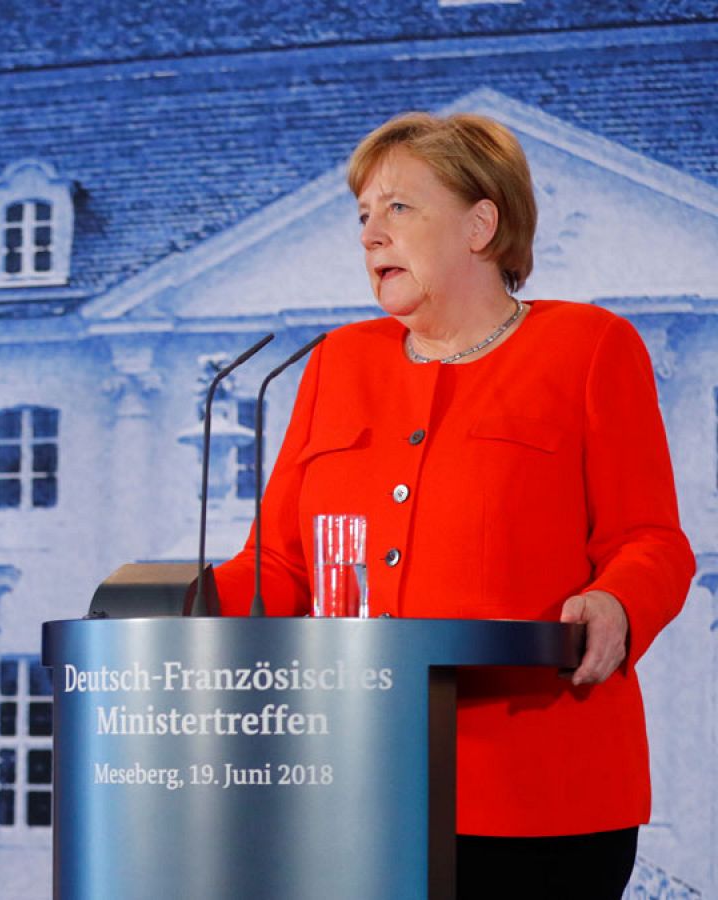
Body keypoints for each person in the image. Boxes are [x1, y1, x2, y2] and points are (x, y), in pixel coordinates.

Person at [209, 112, 693, 898]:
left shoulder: (590, 347)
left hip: (543, 793)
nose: (370, 234)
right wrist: (179, 611)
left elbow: (652, 541)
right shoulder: (335, 362)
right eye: (362, 214)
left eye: (398, 207)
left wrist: (616, 602)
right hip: (356, 787)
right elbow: (280, 564)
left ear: (481, 224)